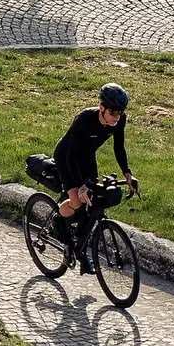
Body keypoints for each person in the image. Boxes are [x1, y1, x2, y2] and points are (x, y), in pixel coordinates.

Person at [55, 82, 138, 270]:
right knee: (77, 199)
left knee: (93, 201)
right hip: (67, 157)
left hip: (87, 158)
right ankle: (59, 221)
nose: (117, 117)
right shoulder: (84, 119)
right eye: (113, 113)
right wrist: (80, 185)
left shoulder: (119, 120)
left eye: (120, 112)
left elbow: (119, 147)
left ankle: (80, 246)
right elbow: (71, 156)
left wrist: (128, 174)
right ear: (101, 107)